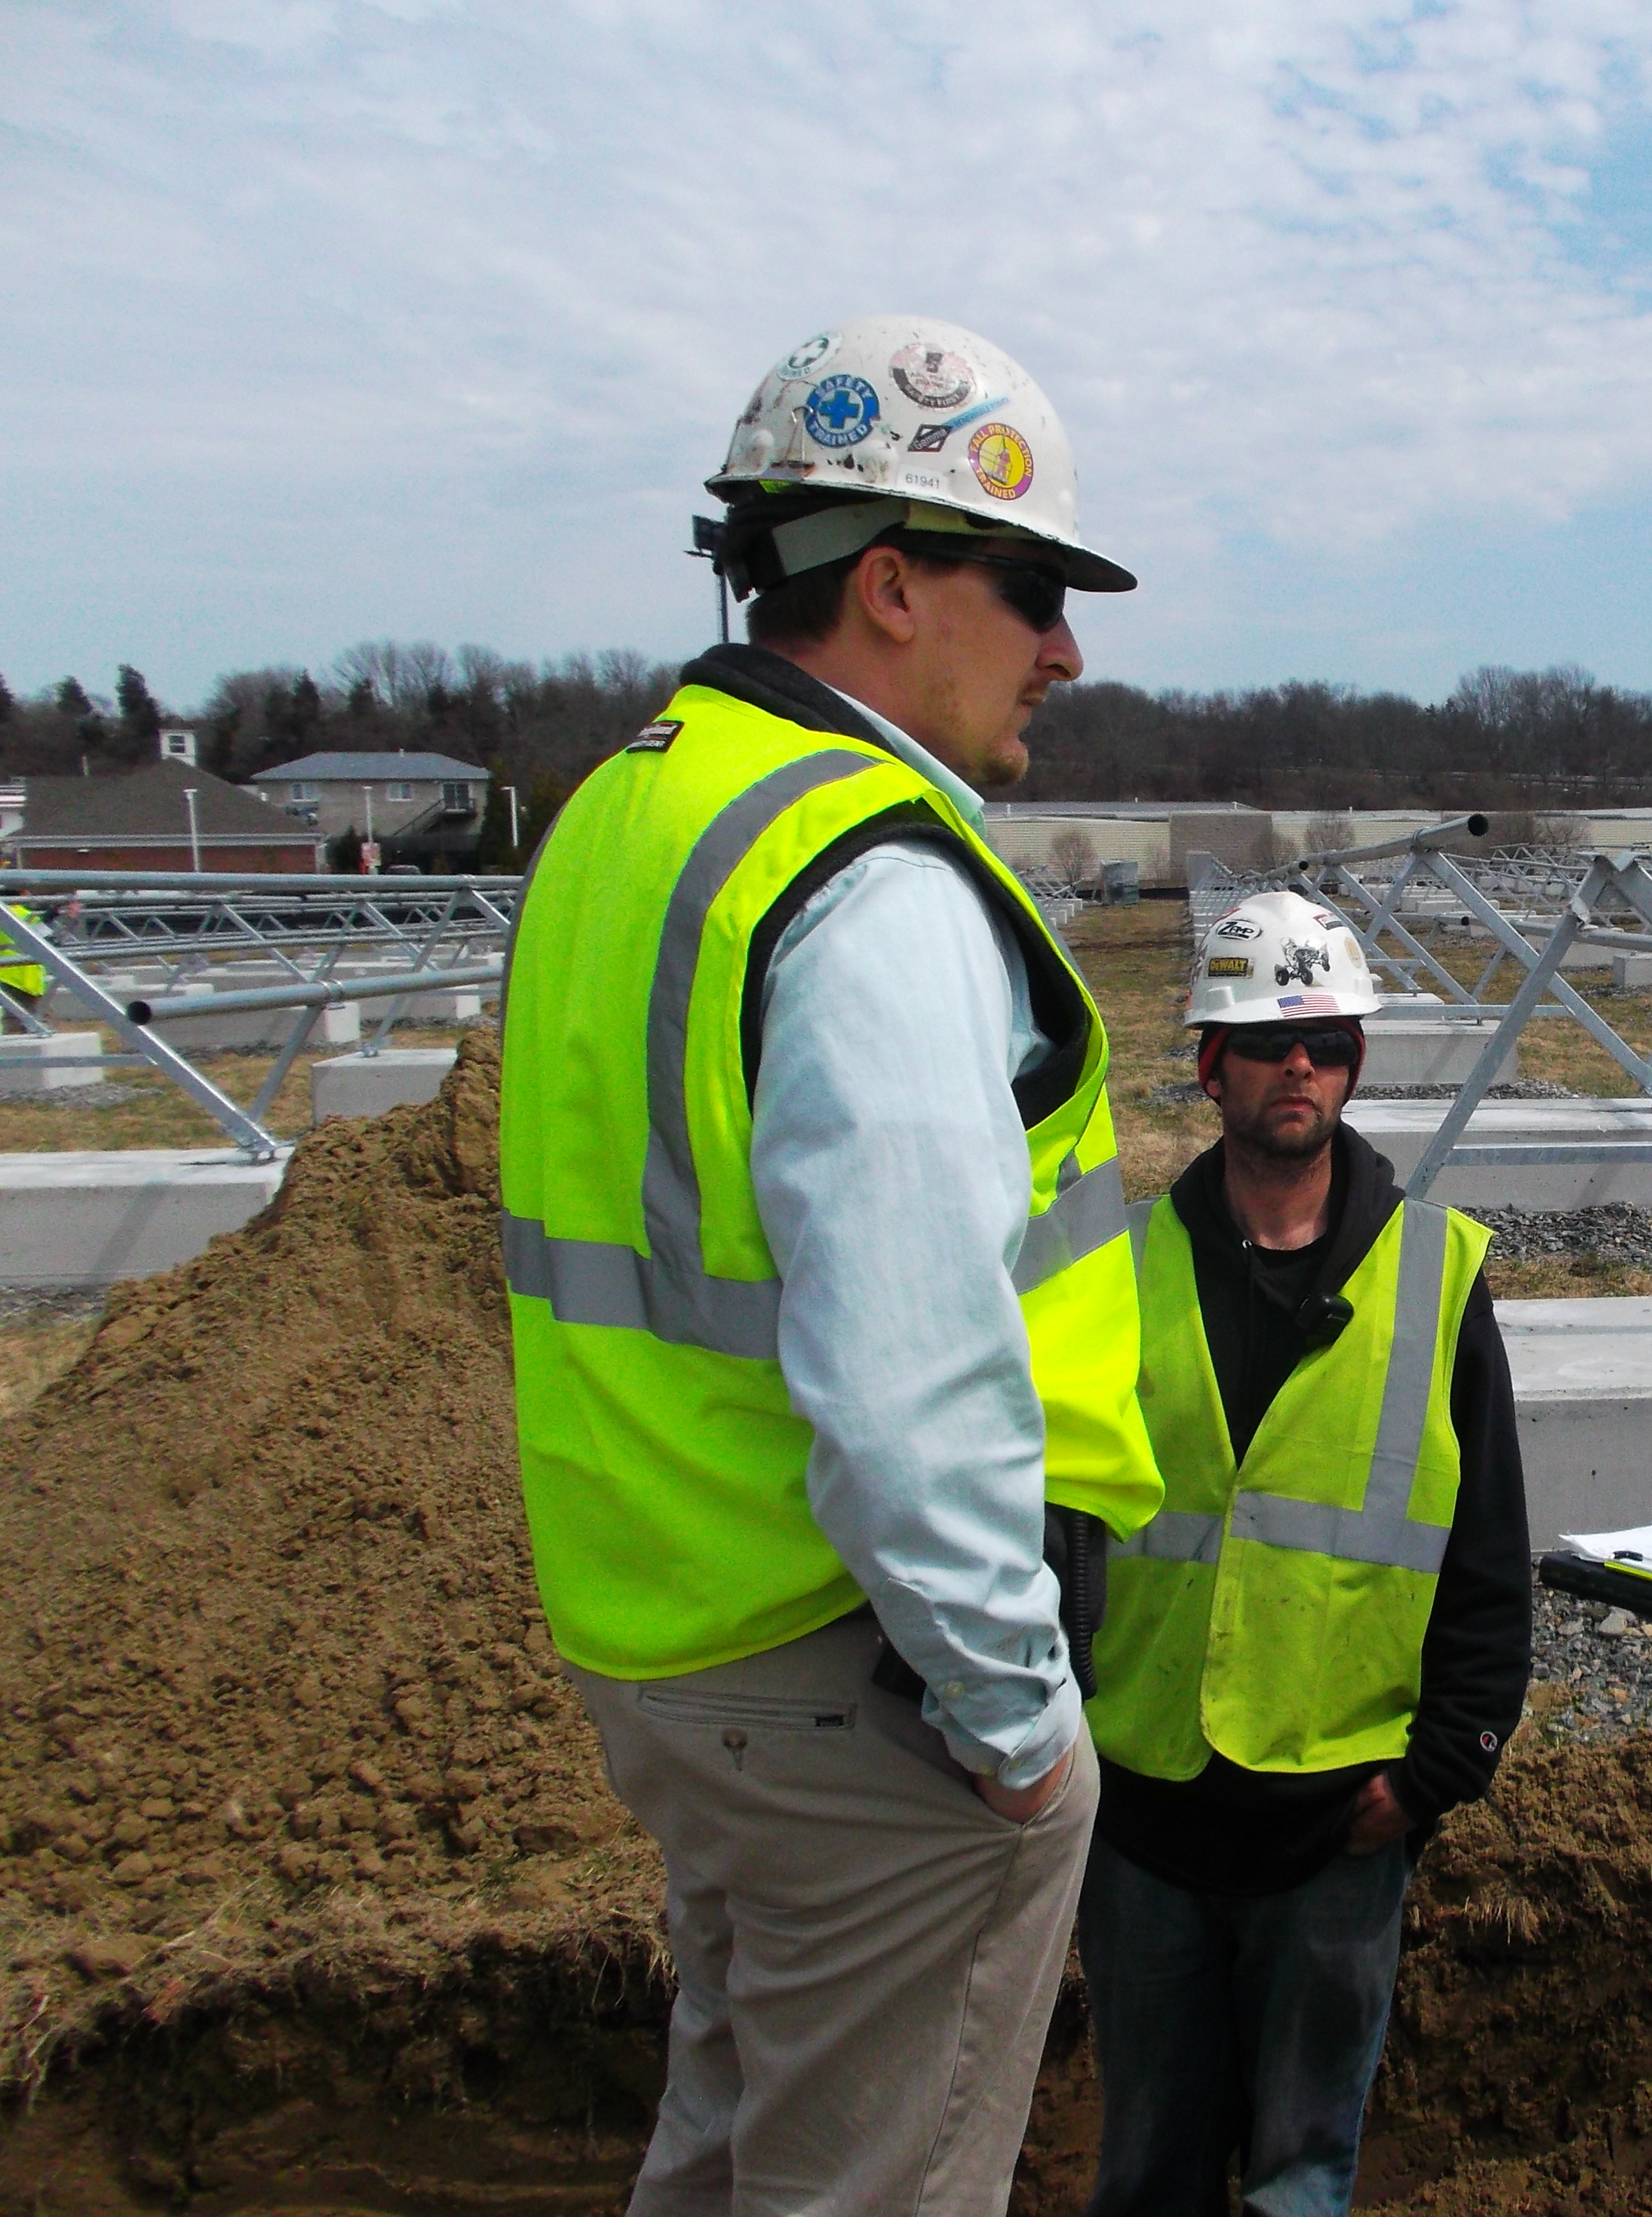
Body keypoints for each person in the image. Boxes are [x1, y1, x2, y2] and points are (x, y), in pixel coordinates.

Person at [500, 314, 1163, 2214]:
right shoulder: (866, 876)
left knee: (732, 2146)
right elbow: (907, 1375)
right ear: (887, 586)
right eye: (1032, 587)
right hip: (865, 1683)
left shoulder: (633, 803)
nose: (1067, 649)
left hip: (677, 1633)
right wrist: (1020, 1726)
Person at [1081, 889, 1532, 2217]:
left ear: (1356, 1066)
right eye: (1269, 1041)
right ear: (1210, 1063)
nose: (1301, 1066)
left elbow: (1490, 1551)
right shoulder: (1124, 1266)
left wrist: (1440, 1771)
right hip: (1150, 1811)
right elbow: (1061, 1528)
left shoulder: (1436, 1273)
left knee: (1299, 2177)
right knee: (1148, 2171)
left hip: (1339, 1820)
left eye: (1328, 1042)